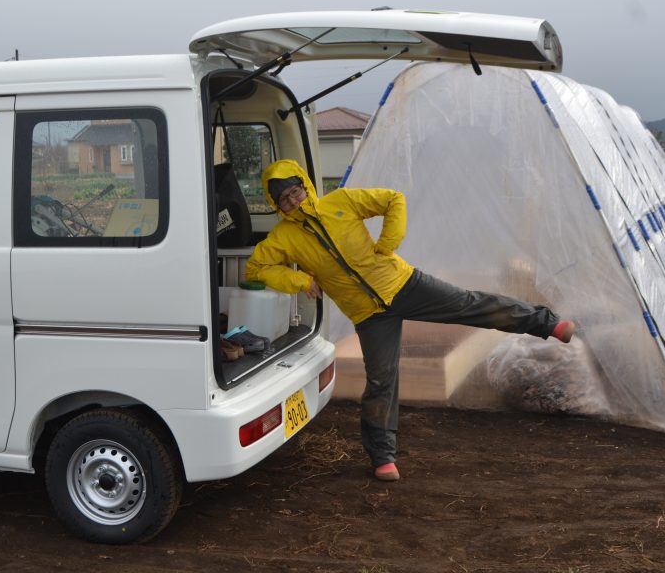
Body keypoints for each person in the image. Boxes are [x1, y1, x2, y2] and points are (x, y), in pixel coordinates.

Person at [246, 160, 575, 482]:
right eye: (284, 199)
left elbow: (393, 199)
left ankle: (545, 323)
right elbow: (255, 268)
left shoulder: (340, 201)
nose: (293, 201)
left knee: (469, 304)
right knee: (381, 380)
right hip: (370, 315)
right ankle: (383, 458)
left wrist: (387, 244)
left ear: (305, 185)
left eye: (295, 191)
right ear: (277, 206)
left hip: (404, 284)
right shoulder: (284, 237)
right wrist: (301, 282)